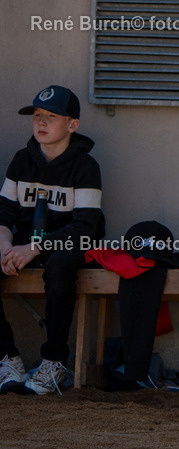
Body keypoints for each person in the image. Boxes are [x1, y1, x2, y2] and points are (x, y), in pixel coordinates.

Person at [0, 85, 105, 395]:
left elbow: (85, 227)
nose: (41, 123)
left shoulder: (85, 166)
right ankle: (8, 359)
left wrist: (33, 249)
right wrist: (5, 247)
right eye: (36, 116)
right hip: (23, 244)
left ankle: (54, 361)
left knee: (60, 267)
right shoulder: (22, 160)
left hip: (65, 246)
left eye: (51, 117)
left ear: (72, 125)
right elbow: (3, 214)